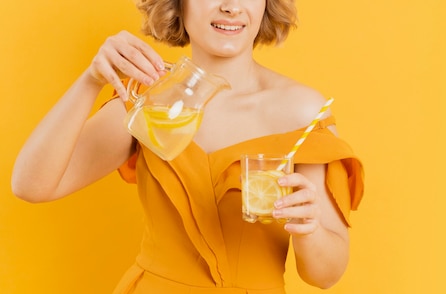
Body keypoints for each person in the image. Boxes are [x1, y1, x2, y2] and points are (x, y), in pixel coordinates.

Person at [11, 0, 364, 293]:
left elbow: (326, 275)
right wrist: (91, 81)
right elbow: (31, 186)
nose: (231, 7)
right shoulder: (150, 97)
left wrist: (309, 228)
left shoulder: (301, 109)